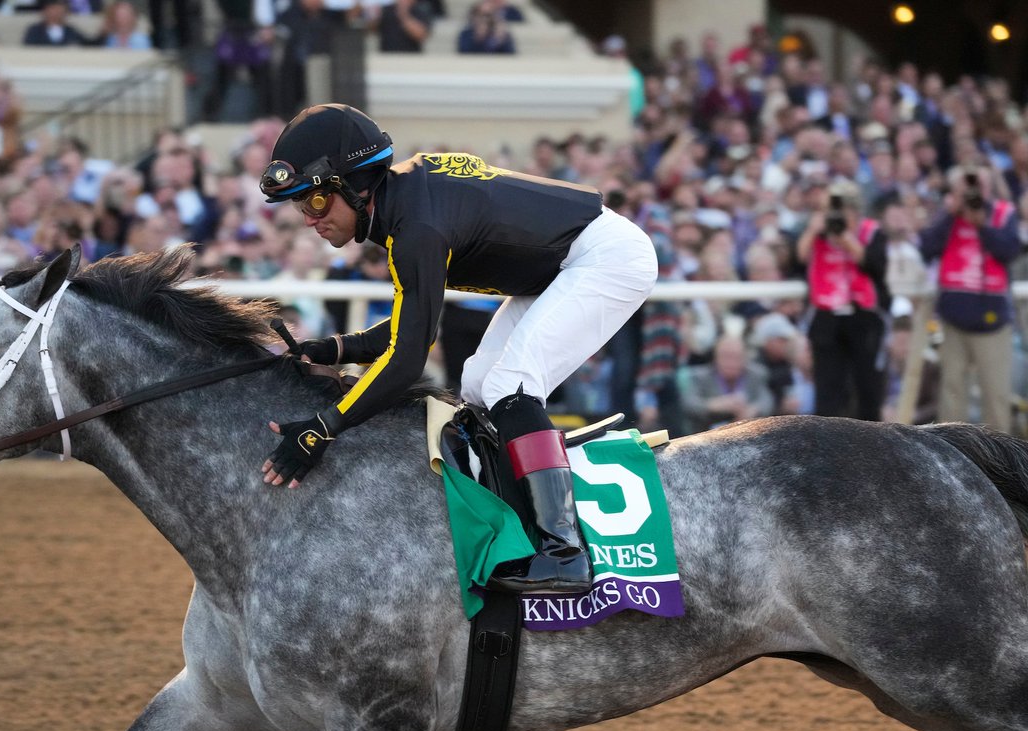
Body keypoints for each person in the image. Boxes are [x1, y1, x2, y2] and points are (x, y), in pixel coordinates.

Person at [257, 103, 658, 594]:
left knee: (512, 384)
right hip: (565, 263)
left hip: (604, 257)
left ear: (353, 185)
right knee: (477, 385)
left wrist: (323, 429)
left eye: (315, 202)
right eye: (300, 206)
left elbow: (408, 360)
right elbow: (410, 330)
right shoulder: (407, 206)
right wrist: (332, 349)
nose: (308, 219)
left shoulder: (416, 229)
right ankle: (511, 527)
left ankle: (562, 550)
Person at [919, 167, 1022, 432]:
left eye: (981, 186)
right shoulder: (949, 216)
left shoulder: (1002, 213)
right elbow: (927, 248)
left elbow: (1010, 251)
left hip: (992, 317)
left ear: (990, 187)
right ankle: (951, 450)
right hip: (954, 316)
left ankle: (1000, 460)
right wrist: (950, 215)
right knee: (952, 390)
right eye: (968, 187)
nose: (976, 193)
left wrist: (982, 225)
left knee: (995, 392)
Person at [795, 182, 888, 421]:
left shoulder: (870, 231)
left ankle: (872, 443)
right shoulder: (818, 232)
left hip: (862, 316)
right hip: (827, 316)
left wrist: (846, 237)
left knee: (867, 386)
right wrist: (812, 230)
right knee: (828, 389)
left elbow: (875, 266)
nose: (834, 215)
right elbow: (800, 258)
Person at [678, 331, 773, 432]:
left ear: (745, 358)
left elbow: (767, 400)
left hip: (748, 435)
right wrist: (713, 405)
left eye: (736, 357)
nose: (730, 362)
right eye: (726, 356)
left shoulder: (756, 374)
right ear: (715, 357)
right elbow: (688, 403)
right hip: (709, 437)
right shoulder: (699, 377)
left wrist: (753, 409)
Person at [23, 0, 90, 47]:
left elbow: (88, 45)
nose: (56, 13)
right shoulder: (34, 30)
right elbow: (27, 48)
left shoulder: (71, 31)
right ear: (44, 11)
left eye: (59, 10)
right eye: (53, 9)